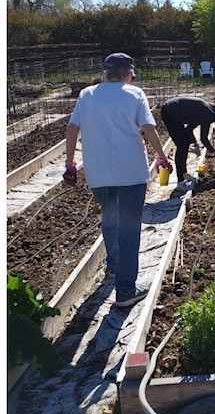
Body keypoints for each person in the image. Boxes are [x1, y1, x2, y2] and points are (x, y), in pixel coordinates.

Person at [63, 52, 172, 309]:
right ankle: (125, 291)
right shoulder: (134, 94)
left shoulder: (87, 95)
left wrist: (70, 164)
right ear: (127, 73)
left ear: (106, 72)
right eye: (132, 71)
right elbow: (148, 127)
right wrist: (161, 156)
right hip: (130, 172)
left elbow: (71, 128)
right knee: (129, 230)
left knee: (110, 219)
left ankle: (113, 267)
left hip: (98, 173)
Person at [160, 96, 215, 193]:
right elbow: (204, 138)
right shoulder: (208, 113)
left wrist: (194, 143)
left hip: (173, 111)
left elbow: (189, 129)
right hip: (170, 112)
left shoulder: (207, 111)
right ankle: (180, 181)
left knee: (184, 143)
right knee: (182, 145)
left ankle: (184, 174)